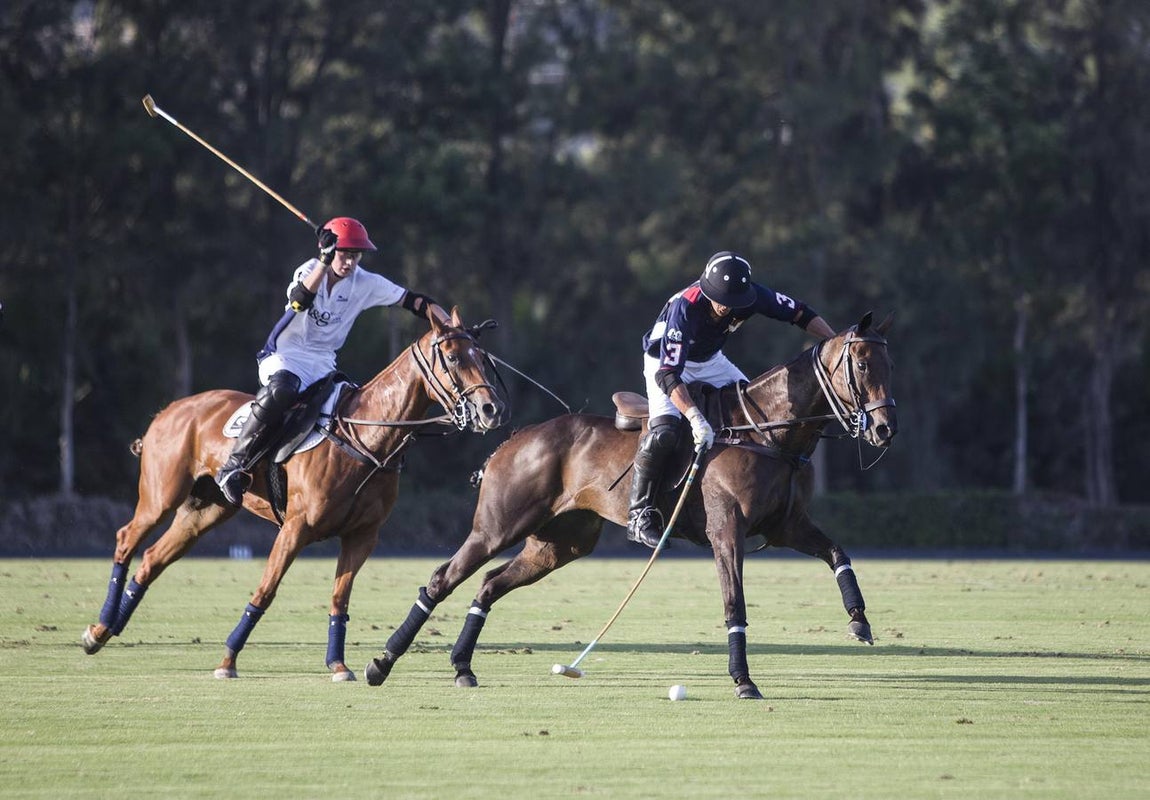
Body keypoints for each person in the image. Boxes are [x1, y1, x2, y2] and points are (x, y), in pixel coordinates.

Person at [215, 217, 448, 505]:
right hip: (285, 355)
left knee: (353, 407)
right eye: (344, 254)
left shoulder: (365, 283)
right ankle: (233, 465)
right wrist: (323, 262)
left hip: (324, 363)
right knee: (283, 390)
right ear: (327, 250)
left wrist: (450, 328)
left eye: (355, 255)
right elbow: (300, 302)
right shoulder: (310, 270)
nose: (350, 262)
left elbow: (415, 302)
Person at [625, 250, 837, 548]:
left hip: (711, 361)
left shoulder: (751, 295)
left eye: (733, 302)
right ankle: (639, 514)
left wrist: (838, 344)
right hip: (665, 363)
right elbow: (669, 375)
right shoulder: (685, 309)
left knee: (757, 416)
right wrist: (696, 418)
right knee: (665, 433)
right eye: (720, 300)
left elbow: (800, 313)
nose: (726, 307)